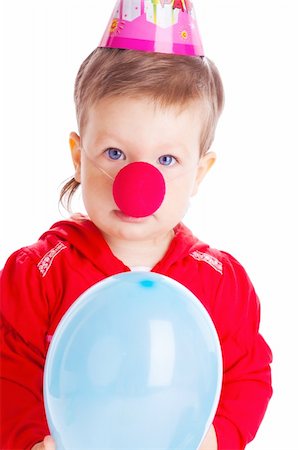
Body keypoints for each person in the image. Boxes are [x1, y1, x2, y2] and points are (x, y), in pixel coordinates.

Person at [0, 1, 272, 449]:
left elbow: (248, 372)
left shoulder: (221, 284)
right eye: (114, 154)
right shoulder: (39, 275)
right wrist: (30, 440)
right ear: (77, 155)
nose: (137, 183)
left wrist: (218, 437)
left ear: (199, 173)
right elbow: (10, 371)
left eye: (167, 160)